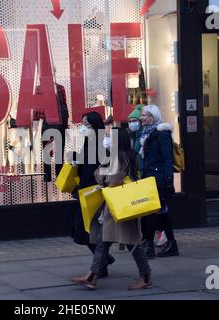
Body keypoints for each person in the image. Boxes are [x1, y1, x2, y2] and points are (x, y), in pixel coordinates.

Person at [74, 128, 152, 290]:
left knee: (132, 244)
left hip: (119, 205)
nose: (107, 139)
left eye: (110, 137)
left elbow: (112, 179)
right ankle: (92, 275)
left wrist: (101, 175)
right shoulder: (129, 155)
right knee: (104, 241)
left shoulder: (119, 157)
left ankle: (145, 276)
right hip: (120, 205)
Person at [71, 111, 115, 281]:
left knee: (88, 231)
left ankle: (101, 264)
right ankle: (103, 261)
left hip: (94, 194)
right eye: (82, 124)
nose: (83, 128)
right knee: (84, 231)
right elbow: (85, 166)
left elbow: (103, 169)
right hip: (85, 192)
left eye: (86, 125)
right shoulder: (89, 143)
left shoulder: (101, 145)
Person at [139, 105, 179, 258]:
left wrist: (169, 180)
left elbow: (167, 157)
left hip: (159, 178)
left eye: (145, 115)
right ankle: (171, 243)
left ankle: (150, 245)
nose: (142, 118)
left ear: (153, 116)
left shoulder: (162, 133)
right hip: (149, 177)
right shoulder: (146, 133)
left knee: (152, 212)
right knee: (159, 212)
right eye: (142, 115)